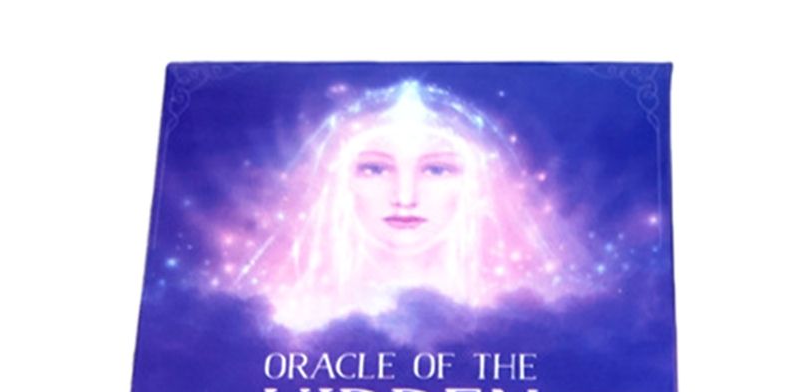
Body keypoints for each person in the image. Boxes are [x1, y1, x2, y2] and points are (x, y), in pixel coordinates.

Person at [236, 80, 572, 331]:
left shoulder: (519, 315)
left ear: (473, 184)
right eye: (375, 169)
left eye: (436, 170)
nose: (405, 197)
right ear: (341, 181)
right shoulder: (292, 315)